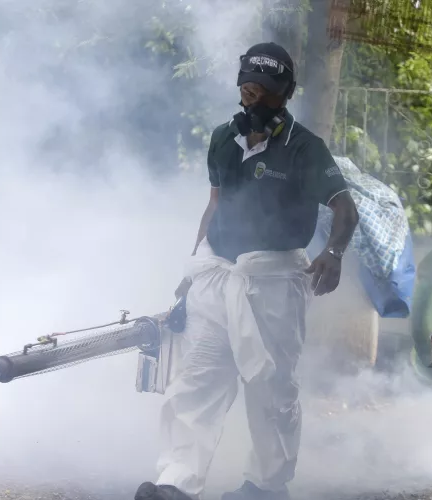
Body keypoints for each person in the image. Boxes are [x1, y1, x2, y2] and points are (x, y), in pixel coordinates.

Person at [135, 42, 360, 500]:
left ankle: (265, 486)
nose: (255, 99)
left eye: (266, 92)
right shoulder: (222, 139)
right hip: (217, 276)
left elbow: (345, 208)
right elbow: (214, 205)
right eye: (249, 90)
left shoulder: (305, 148)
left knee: (272, 390)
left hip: (274, 283)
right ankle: (176, 483)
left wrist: (334, 252)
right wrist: (192, 270)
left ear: (287, 95)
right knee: (197, 380)